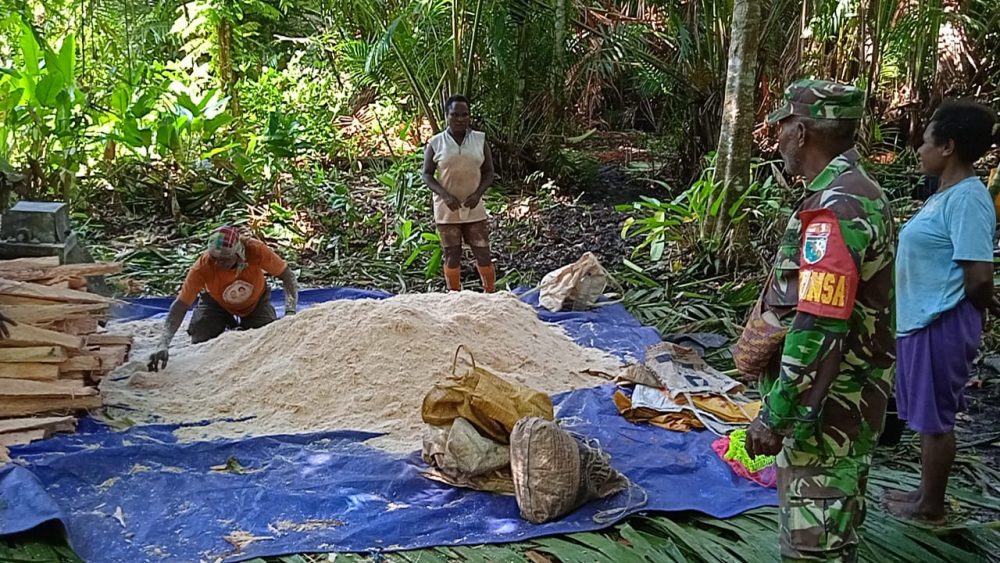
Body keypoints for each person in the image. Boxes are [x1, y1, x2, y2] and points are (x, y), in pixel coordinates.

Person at [742, 80, 896, 561]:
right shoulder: (852, 193)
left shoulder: (838, 210)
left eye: (782, 127)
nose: (778, 138)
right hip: (839, 410)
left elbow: (819, 325)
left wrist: (777, 414)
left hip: (827, 417)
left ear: (802, 131)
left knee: (814, 550)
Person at [884, 101, 998, 524]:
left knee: (936, 419)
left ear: (948, 146)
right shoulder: (946, 195)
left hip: (942, 321)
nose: (918, 148)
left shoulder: (968, 199)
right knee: (927, 416)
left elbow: (980, 276)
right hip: (924, 319)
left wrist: (983, 302)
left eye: (926, 139)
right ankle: (922, 493)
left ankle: (930, 506)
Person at [147, 226, 298, 371]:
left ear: (238, 253)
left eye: (225, 259)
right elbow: (180, 305)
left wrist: (290, 312)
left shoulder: (255, 250)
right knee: (201, 334)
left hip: (256, 301)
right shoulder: (203, 266)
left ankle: (241, 323)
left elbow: (287, 276)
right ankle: (226, 321)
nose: (219, 263)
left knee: (265, 337)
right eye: (215, 258)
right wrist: (163, 344)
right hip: (216, 302)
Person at [421, 95, 496, 292]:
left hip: (474, 207)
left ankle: (490, 295)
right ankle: (454, 296)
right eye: (455, 115)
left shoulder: (480, 140)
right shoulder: (436, 143)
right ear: (446, 116)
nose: (460, 119)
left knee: (483, 252)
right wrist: (445, 195)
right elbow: (427, 175)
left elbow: (489, 172)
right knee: (452, 254)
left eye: (465, 115)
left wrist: (478, 193)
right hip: (447, 209)